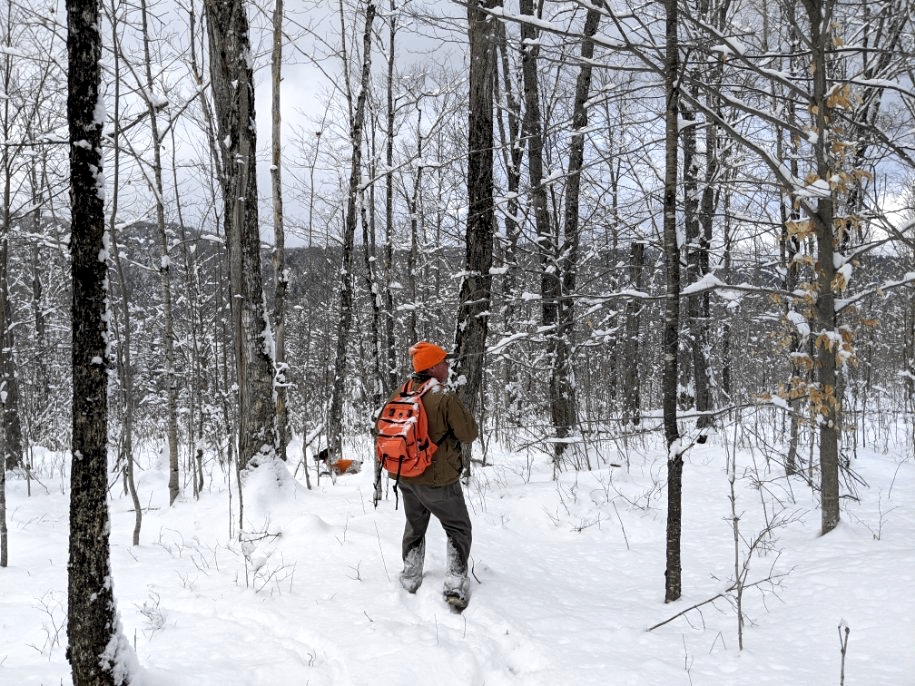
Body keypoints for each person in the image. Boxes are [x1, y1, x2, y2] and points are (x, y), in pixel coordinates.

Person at [394, 341, 477, 609]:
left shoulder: (402, 393)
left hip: (406, 476)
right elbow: (469, 434)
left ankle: (410, 576)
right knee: (457, 527)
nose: (448, 365)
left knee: (415, 525)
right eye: (443, 362)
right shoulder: (444, 397)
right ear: (431, 367)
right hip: (439, 480)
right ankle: (454, 584)